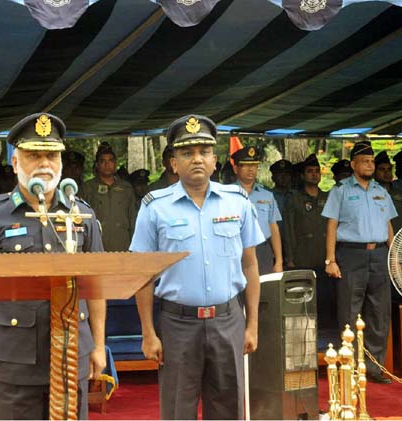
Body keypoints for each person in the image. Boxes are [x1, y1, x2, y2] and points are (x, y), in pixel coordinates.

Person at [0, 113, 106, 420]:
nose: (44, 163)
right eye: (33, 155)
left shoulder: (81, 214)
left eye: (51, 155)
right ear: (16, 163)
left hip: (72, 351)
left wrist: (98, 345)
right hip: (14, 356)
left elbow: (96, 287)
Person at [130, 114, 264, 420]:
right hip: (177, 325)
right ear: (173, 163)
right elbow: (143, 274)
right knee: (178, 410)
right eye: (187, 153)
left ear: (215, 160)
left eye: (204, 152)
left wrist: (252, 324)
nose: (197, 159)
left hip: (228, 320)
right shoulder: (154, 206)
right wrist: (148, 333)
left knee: (229, 408)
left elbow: (251, 265)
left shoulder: (237, 202)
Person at [322, 140, 396, 384]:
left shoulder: (381, 191)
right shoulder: (340, 191)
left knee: (379, 312)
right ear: (353, 164)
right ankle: (350, 366)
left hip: (378, 255)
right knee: (349, 312)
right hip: (350, 254)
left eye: (372, 161)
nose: (370, 165)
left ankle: (374, 368)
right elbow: (331, 226)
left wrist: (395, 256)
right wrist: (330, 260)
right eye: (365, 161)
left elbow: (388, 225)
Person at [282, 154, 334, 332]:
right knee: (303, 300)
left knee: (326, 297)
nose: (314, 175)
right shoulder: (294, 198)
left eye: (317, 171)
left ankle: (327, 332)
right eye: (310, 172)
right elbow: (288, 230)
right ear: (303, 176)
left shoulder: (328, 197)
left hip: (324, 256)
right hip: (303, 256)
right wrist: (289, 257)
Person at [232, 146, 283, 275]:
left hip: (262, 250)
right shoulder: (227, 194)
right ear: (235, 168)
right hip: (236, 249)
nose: (251, 169)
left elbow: (273, 228)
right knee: (238, 293)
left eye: (254, 165)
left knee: (264, 292)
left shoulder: (267, 195)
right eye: (245, 165)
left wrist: (279, 261)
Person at [82, 143, 137, 251]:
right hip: (96, 244)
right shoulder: (88, 188)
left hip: (122, 244)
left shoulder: (126, 188)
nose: (107, 165)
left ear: (115, 163)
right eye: (103, 161)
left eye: (110, 161)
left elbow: (133, 217)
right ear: (97, 164)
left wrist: (135, 245)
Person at [373, 151, 402, 234]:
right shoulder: (369, 193)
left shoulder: (399, 191)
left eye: (389, 169)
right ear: (374, 173)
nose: (386, 172)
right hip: (379, 240)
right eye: (382, 169)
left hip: (398, 240)